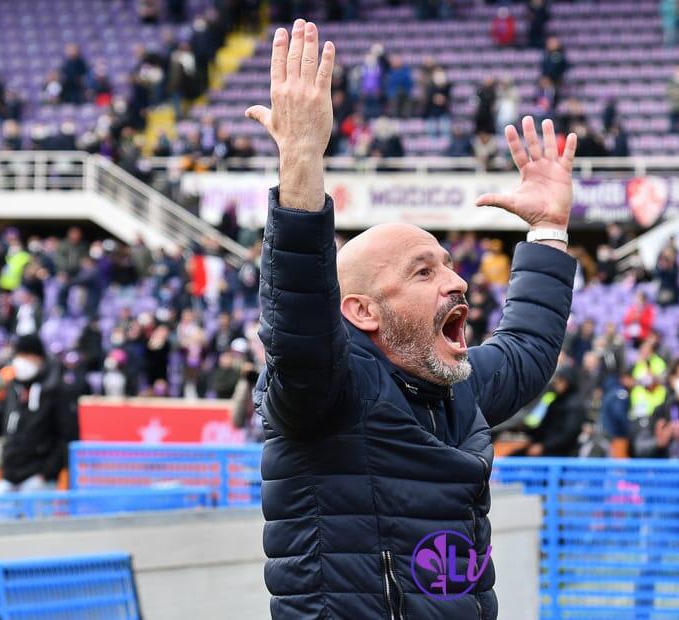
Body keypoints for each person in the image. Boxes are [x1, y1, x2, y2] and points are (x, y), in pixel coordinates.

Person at [244, 21, 578, 619]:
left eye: (449, 266)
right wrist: (299, 161)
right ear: (362, 311)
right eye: (423, 272)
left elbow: (526, 350)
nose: (455, 282)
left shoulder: (451, 385)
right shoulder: (324, 394)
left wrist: (548, 231)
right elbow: (297, 320)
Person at [0, 334, 79, 492]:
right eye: (18, 355)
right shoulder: (14, 388)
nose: (20, 361)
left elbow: (68, 437)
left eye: (25, 355)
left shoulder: (57, 390)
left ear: (38, 357)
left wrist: (47, 473)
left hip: (39, 477)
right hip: (10, 474)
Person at [515, 368, 587, 457]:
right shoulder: (557, 400)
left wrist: (543, 446)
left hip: (562, 454)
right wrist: (524, 430)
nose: (557, 383)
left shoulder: (574, 405)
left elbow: (568, 434)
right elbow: (546, 426)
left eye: (561, 380)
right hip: (547, 447)